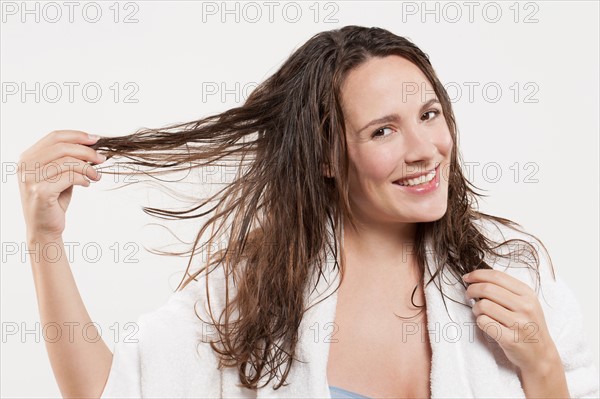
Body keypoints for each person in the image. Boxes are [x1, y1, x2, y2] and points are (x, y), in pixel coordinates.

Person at [18, 25, 599, 399]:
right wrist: (44, 234)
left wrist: (542, 366)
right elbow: (106, 392)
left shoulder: (513, 275)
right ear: (326, 155)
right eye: (382, 131)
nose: (425, 150)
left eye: (428, 114)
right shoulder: (256, 293)